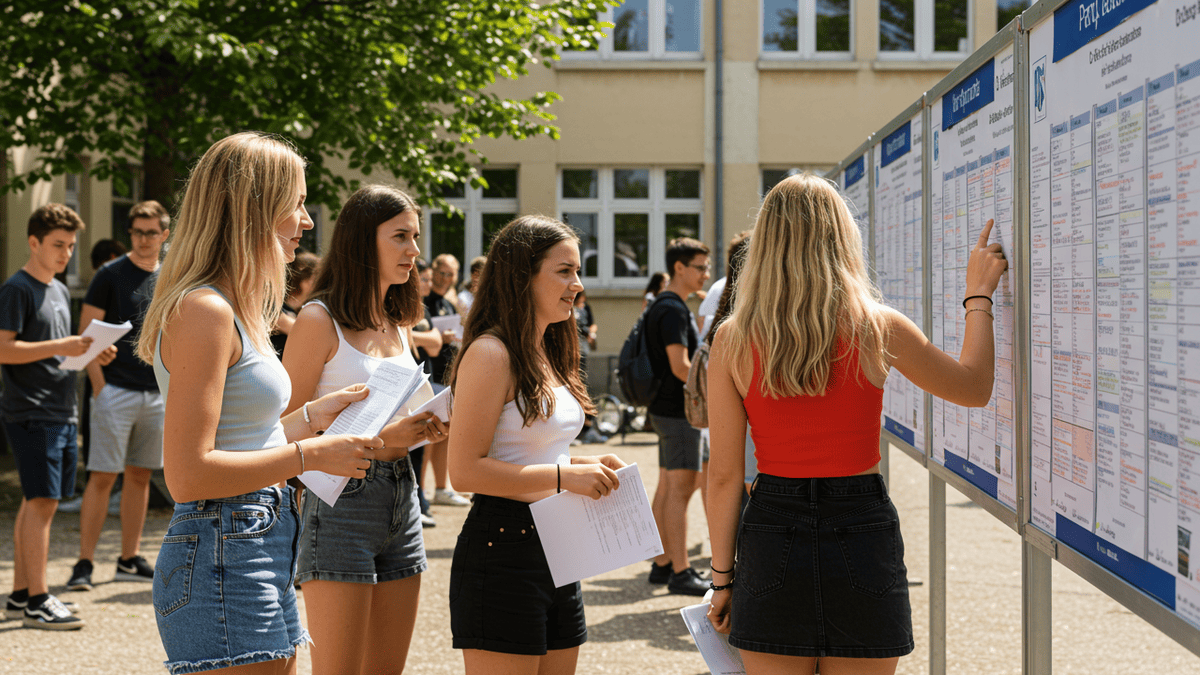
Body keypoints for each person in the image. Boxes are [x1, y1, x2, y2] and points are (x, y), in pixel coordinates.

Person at [706, 174, 1007, 674]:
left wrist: (722, 579)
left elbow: (722, 476)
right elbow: (973, 388)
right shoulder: (876, 325)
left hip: (771, 523)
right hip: (860, 521)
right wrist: (979, 295)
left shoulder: (732, 339)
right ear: (843, 239)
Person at [136, 131, 383, 674]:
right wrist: (310, 457)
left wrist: (310, 420)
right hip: (227, 544)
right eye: (297, 203)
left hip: (250, 539)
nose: (308, 220)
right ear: (255, 209)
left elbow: (239, 437)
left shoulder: (229, 306)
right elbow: (189, 474)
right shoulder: (206, 310)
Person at [446, 215, 626, 673]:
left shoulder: (545, 349)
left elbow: (530, 449)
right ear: (522, 275)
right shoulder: (492, 353)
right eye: (564, 271)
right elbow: (464, 471)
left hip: (558, 543)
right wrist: (568, 476)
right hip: (503, 547)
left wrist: (587, 464)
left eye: (578, 271)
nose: (577, 286)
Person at [282, 184, 444, 675]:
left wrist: (425, 427)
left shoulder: (399, 321)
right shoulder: (318, 318)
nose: (415, 251)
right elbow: (283, 433)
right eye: (400, 236)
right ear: (361, 241)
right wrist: (385, 439)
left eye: (415, 237)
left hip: (403, 495)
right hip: (339, 504)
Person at [1, 203, 115, 630]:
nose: (66, 253)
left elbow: (62, 346)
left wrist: (91, 351)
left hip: (61, 409)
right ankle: (38, 600)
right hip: (31, 411)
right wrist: (62, 346)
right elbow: (2, 348)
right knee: (44, 502)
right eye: (57, 245)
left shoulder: (58, 289)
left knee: (36, 500)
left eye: (70, 246)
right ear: (33, 243)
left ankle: (18, 593)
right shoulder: (18, 289)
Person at [67, 200, 171, 593]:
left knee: (141, 476)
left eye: (151, 232)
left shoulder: (171, 275)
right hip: (115, 390)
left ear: (164, 235)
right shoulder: (109, 274)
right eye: (137, 231)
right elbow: (85, 333)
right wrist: (100, 387)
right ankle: (84, 562)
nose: (144, 239)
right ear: (131, 233)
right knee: (102, 478)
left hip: (156, 393)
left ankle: (129, 558)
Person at [644, 237, 711, 596]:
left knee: (669, 485)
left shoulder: (665, 304)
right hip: (679, 411)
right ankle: (681, 571)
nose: (705, 274)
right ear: (679, 268)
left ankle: (662, 562)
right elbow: (681, 367)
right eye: (699, 267)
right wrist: (719, 385)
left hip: (665, 409)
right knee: (681, 490)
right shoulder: (672, 310)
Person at [411, 258, 456, 527]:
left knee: (434, 434)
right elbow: (429, 342)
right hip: (414, 385)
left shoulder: (424, 309)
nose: (430, 283)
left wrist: (428, 339)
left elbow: (436, 345)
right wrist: (428, 339)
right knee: (420, 441)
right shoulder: (408, 307)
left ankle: (426, 499)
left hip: (429, 383)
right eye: (425, 279)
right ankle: (420, 501)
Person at [424, 252, 470, 507]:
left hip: (446, 375)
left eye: (451, 274)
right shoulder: (424, 301)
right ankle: (422, 494)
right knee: (427, 435)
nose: (445, 278)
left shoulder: (449, 303)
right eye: (441, 273)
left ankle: (442, 488)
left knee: (445, 433)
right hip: (428, 373)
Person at [271, 250, 320, 357]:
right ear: (305, 279)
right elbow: (308, 335)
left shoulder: (304, 310)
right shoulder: (274, 307)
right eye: (316, 276)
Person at [573, 291, 605, 446]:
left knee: (581, 387)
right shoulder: (572, 310)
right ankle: (581, 429)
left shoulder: (585, 309)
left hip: (582, 351)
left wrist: (591, 332)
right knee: (576, 388)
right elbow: (578, 327)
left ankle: (586, 428)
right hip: (572, 352)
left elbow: (592, 324)